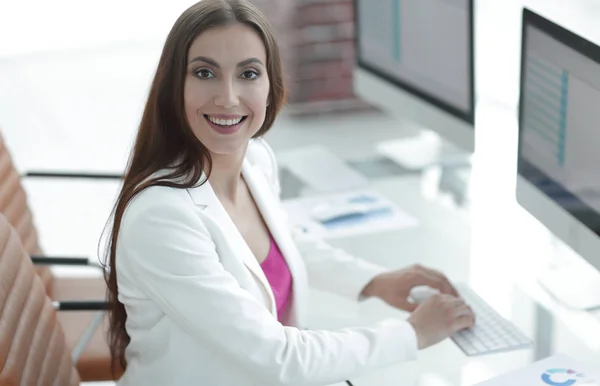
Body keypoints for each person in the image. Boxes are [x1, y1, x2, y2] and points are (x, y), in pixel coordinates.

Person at [103, 0, 475, 384]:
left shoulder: (256, 161)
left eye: (248, 73)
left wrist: (375, 281)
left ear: (271, 86)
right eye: (204, 73)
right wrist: (412, 334)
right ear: (173, 87)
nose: (228, 97)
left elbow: (284, 244)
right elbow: (279, 356)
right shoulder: (161, 218)